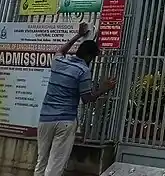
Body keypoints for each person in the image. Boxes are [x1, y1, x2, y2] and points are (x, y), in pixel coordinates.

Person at [34, 23, 116, 176]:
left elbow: (61, 50)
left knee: (41, 161)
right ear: (90, 56)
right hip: (65, 120)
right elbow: (87, 98)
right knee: (55, 164)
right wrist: (104, 87)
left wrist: (78, 35)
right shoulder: (83, 71)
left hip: (45, 118)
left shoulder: (59, 62)